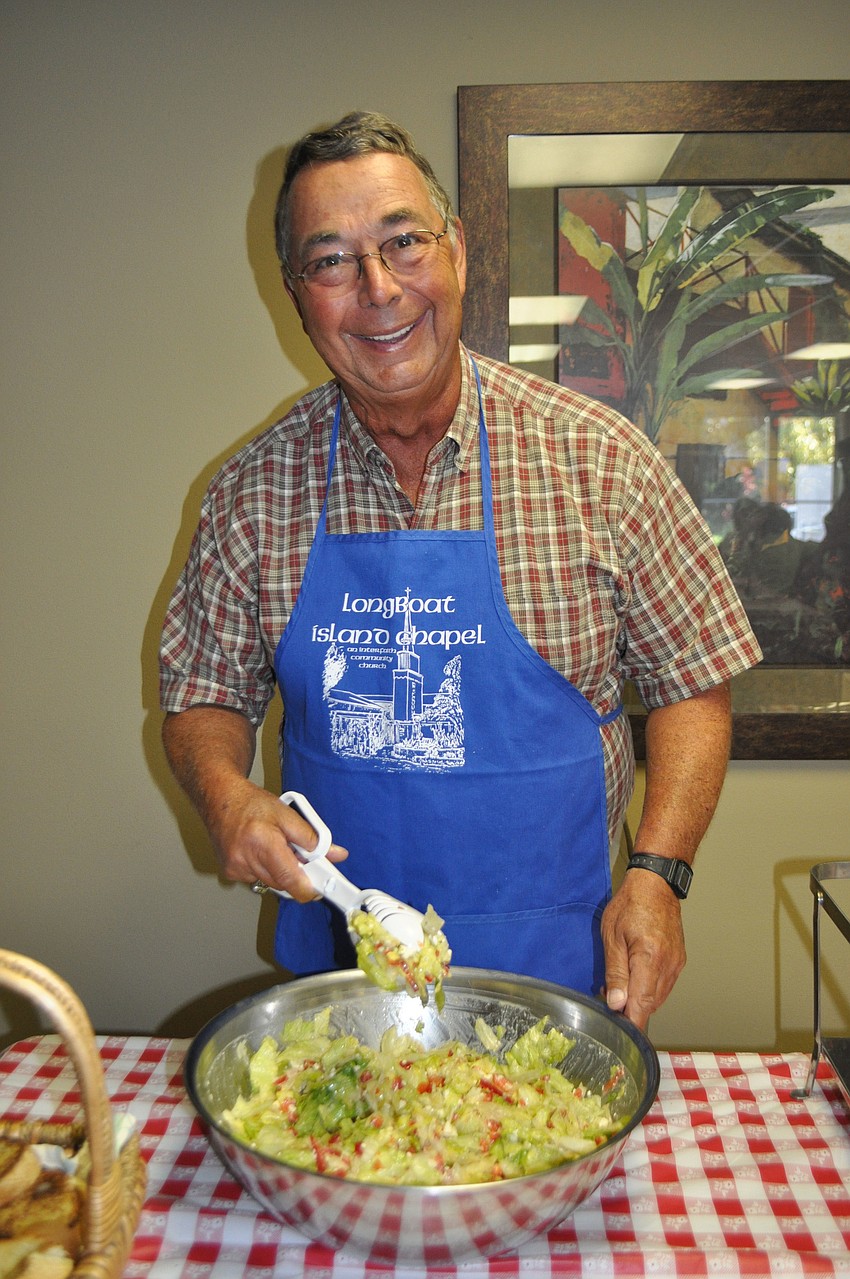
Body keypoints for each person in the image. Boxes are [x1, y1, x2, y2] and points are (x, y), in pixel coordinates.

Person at [159, 111, 762, 1030]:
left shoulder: (601, 461)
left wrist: (659, 872)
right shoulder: (252, 492)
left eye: (404, 242)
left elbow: (694, 683)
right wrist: (227, 795)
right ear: (297, 293)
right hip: (342, 981)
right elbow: (202, 693)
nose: (379, 288)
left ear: (459, 252)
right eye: (332, 261)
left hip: (565, 979)